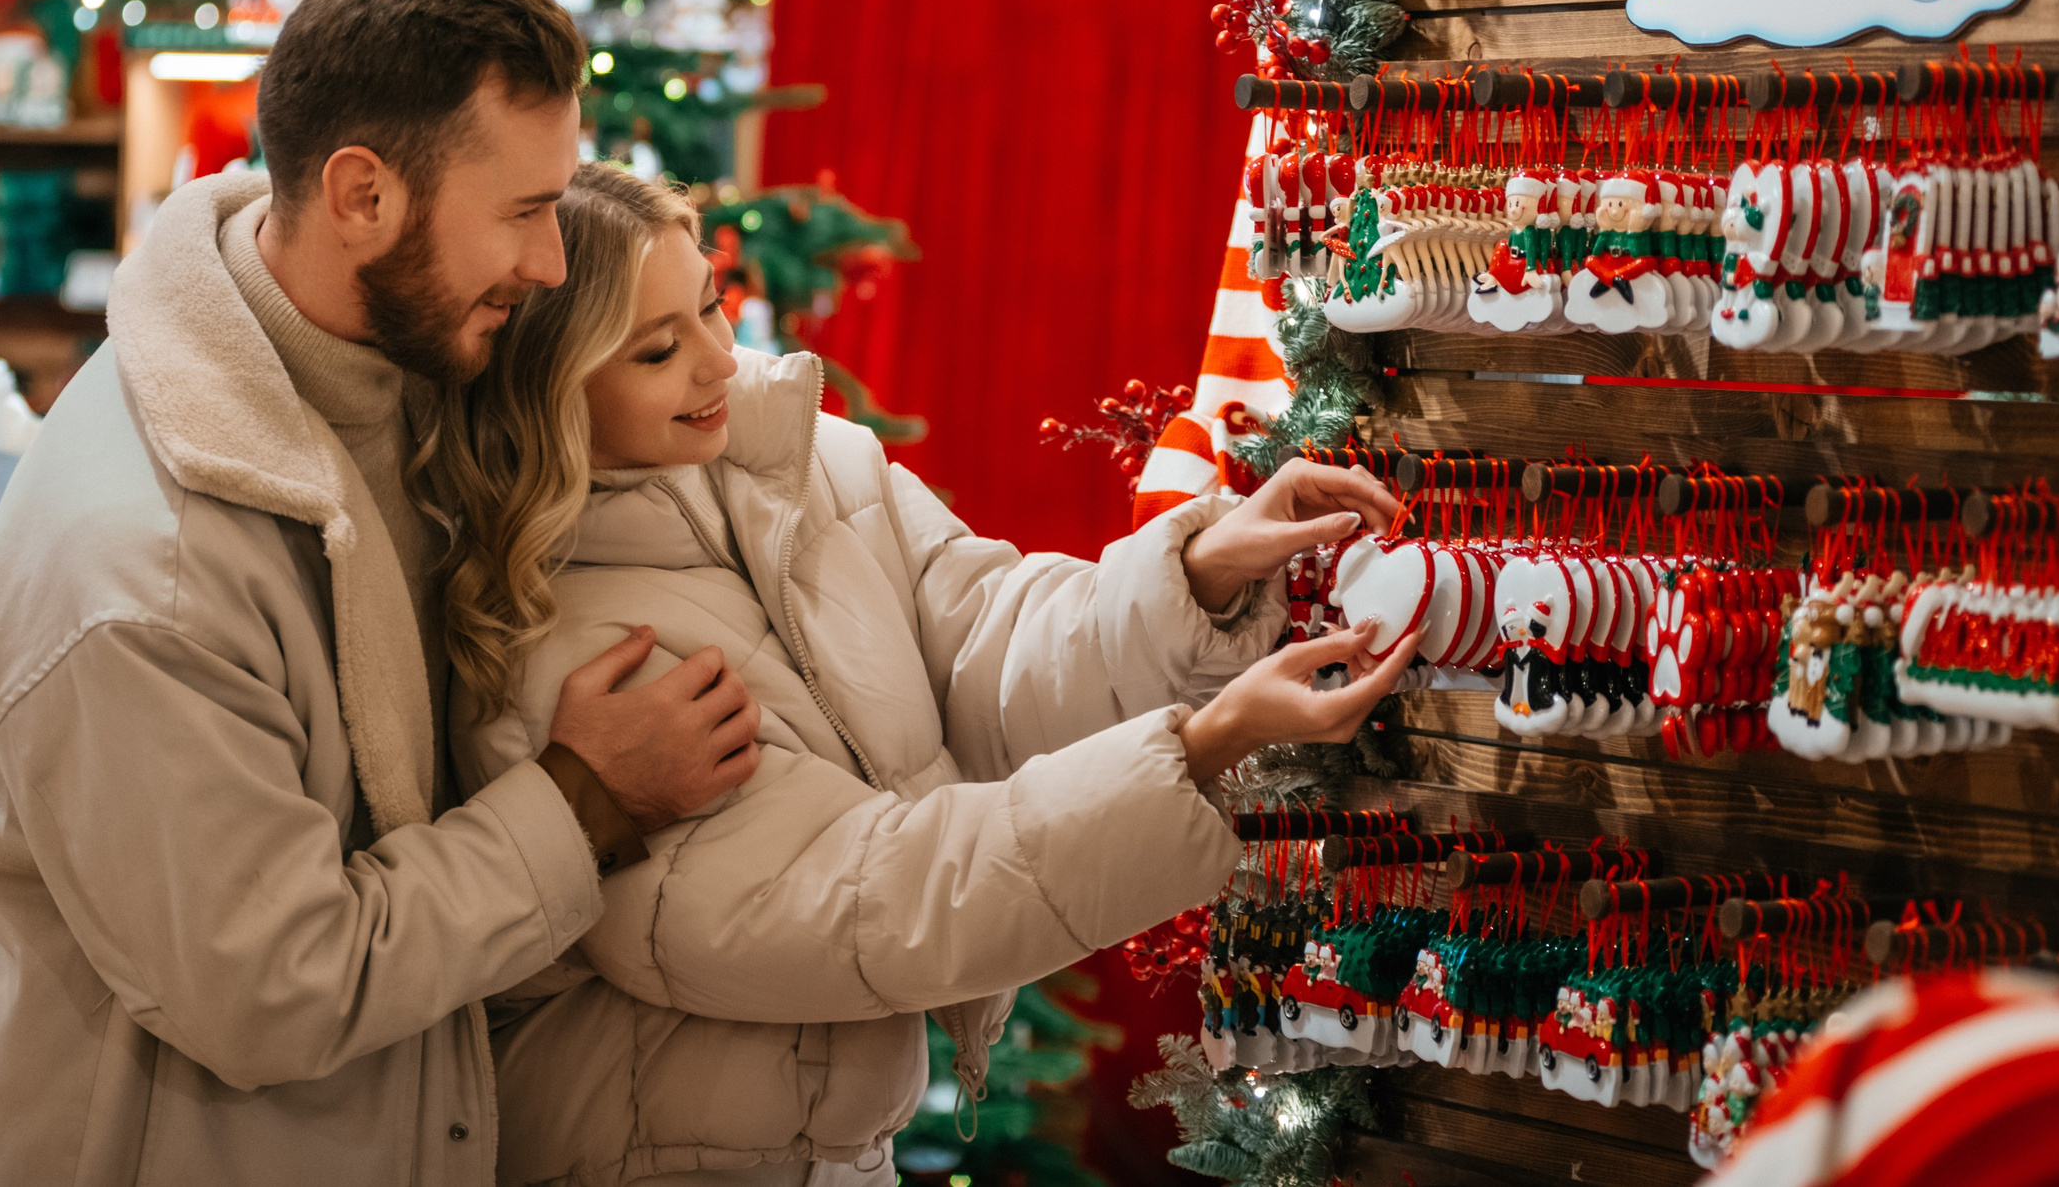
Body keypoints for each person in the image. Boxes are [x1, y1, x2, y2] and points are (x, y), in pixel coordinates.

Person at [0, 0, 764, 1186]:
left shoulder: (413, 377)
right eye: (527, 216)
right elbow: (271, 988)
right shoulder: (143, 573)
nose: (550, 268)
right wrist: (582, 796)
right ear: (362, 196)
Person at [450, 164, 1418, 1187]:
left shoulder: (815, 466)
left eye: (711, 306)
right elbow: (865, 899)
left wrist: (1198, 571)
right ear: (551, 390)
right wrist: (1202, 747)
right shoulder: (569, 640)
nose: (721, 361)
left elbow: (986, 638)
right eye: (658, 348)